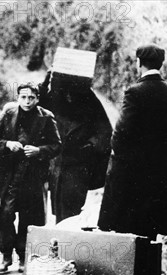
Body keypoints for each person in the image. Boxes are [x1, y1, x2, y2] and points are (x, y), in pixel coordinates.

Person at [98, 44, 167, 240]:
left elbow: (120, 135)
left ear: (139, 63)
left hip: (130, 177)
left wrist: (124, 160)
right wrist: (160, 155)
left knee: (123, 234)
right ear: (160, 64)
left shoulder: (134, 92)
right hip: (157, 176)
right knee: (148, 233)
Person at [0, 82, 61, 274]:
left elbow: (56, 145)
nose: (27, 101)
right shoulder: (8, 114)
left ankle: (23, 256)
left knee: (30, 217)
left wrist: (39, 151)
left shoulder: (46, 117)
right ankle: (5, 256)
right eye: (23, 97)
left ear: (37, 98)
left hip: (32, 176)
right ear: (17, 97)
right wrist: (7, 144)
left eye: (31, 98)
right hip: (7, 175)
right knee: (4, 215)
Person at [38, 71, 113, 223]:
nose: (69, 95)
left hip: (78, 165)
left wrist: (90, 147)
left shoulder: (90, 101)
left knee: (71, 211)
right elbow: (39, 104)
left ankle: (68, 242)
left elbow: (105, 132)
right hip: (57, 164)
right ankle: (61, 241)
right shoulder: (55, 96)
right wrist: (46, 81)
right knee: (58, 209)